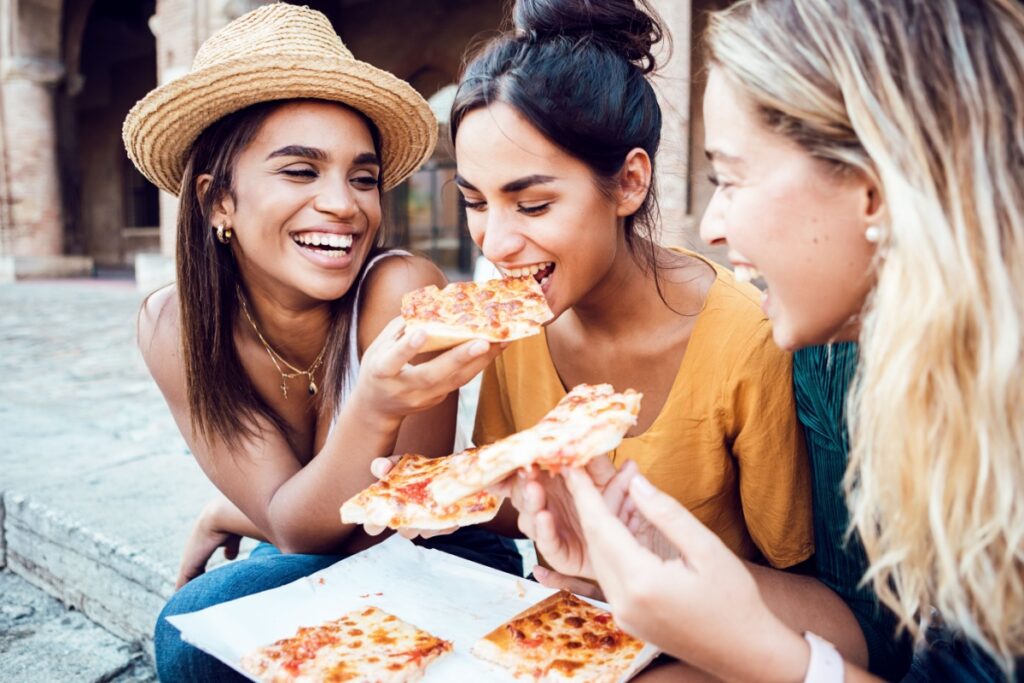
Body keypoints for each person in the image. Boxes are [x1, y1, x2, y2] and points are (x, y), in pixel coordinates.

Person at [536, 0, 1024, 680]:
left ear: (873, 189)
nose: (709, 225)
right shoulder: (836, 351)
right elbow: (886, 630)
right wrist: (651, 551)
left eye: (731, 178)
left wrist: (757, 653)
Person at [123, 5, 517, 680]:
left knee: (193, 631)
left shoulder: (403, 293)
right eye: (301, 171)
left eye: (363, 178)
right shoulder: (174, 327)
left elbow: (371, 530)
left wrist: (366, 411)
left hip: (437, 554)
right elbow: (297, 528)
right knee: (199, 634)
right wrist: (263, 510)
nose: (343, 204)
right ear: (220, 200)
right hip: (311, 551)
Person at [446, 0, 814, 580]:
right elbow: (513, 504)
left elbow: (797, 576)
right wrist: (435, 486)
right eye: (474, 202)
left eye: (533, 205)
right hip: (552, 643)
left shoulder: (747, 337)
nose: (495, 243)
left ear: (630, 183)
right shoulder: (517, 321)